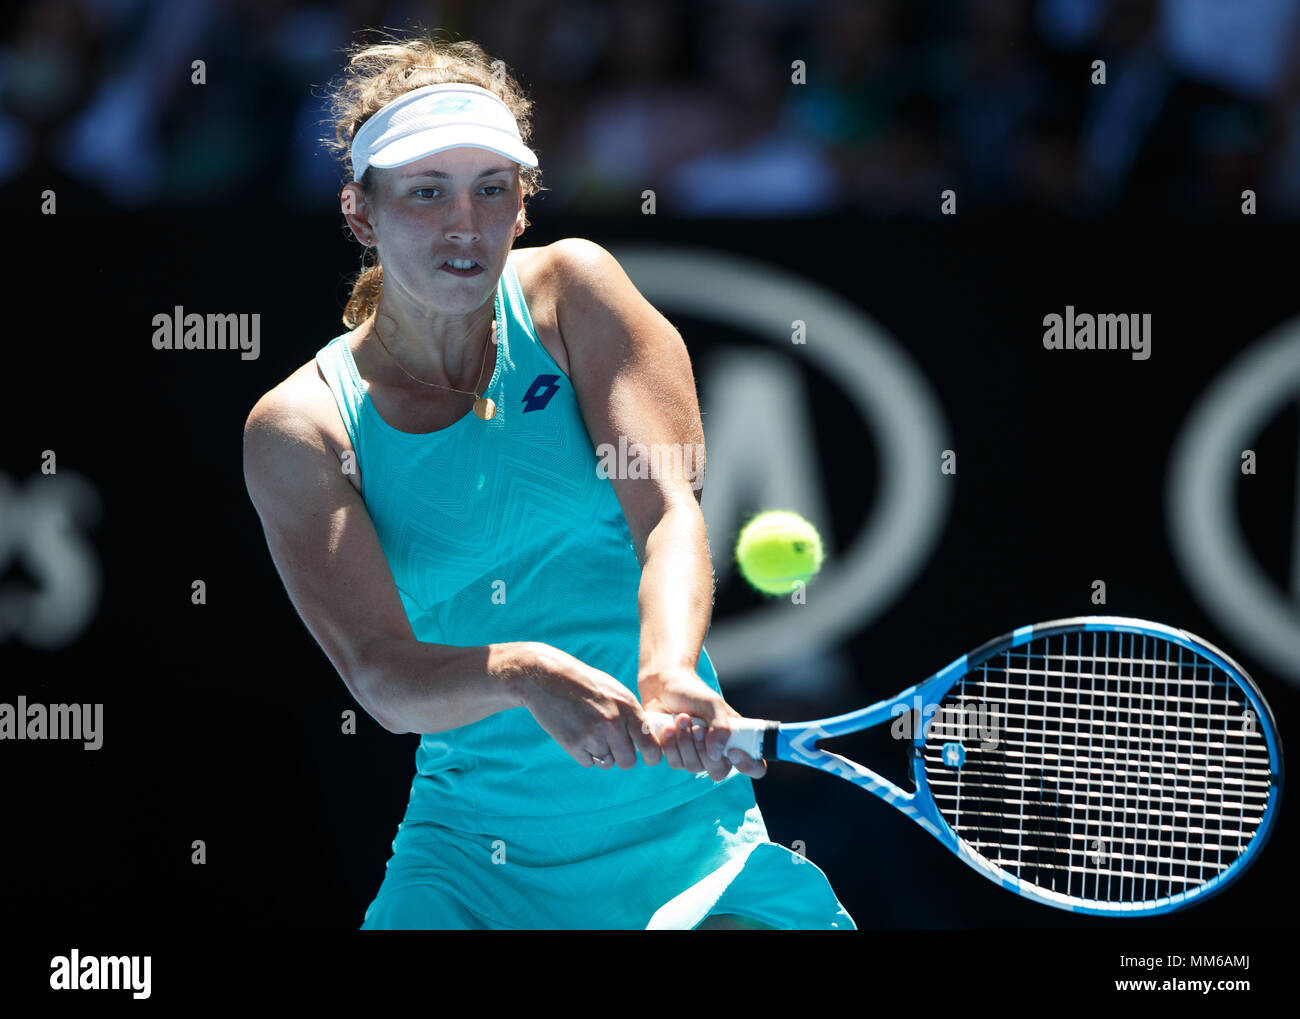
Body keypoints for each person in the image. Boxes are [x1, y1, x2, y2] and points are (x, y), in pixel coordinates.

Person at [242, 31, 854, 930]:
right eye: (426, 192)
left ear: (523, 207)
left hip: (684, 838)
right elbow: (380, 674)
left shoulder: (576, 295)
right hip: (467, 865)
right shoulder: (303, 425)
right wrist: (523, 670)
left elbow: (668, 517)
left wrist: (669, 667)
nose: (465, 224)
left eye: (492, 190)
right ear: (360, 214)